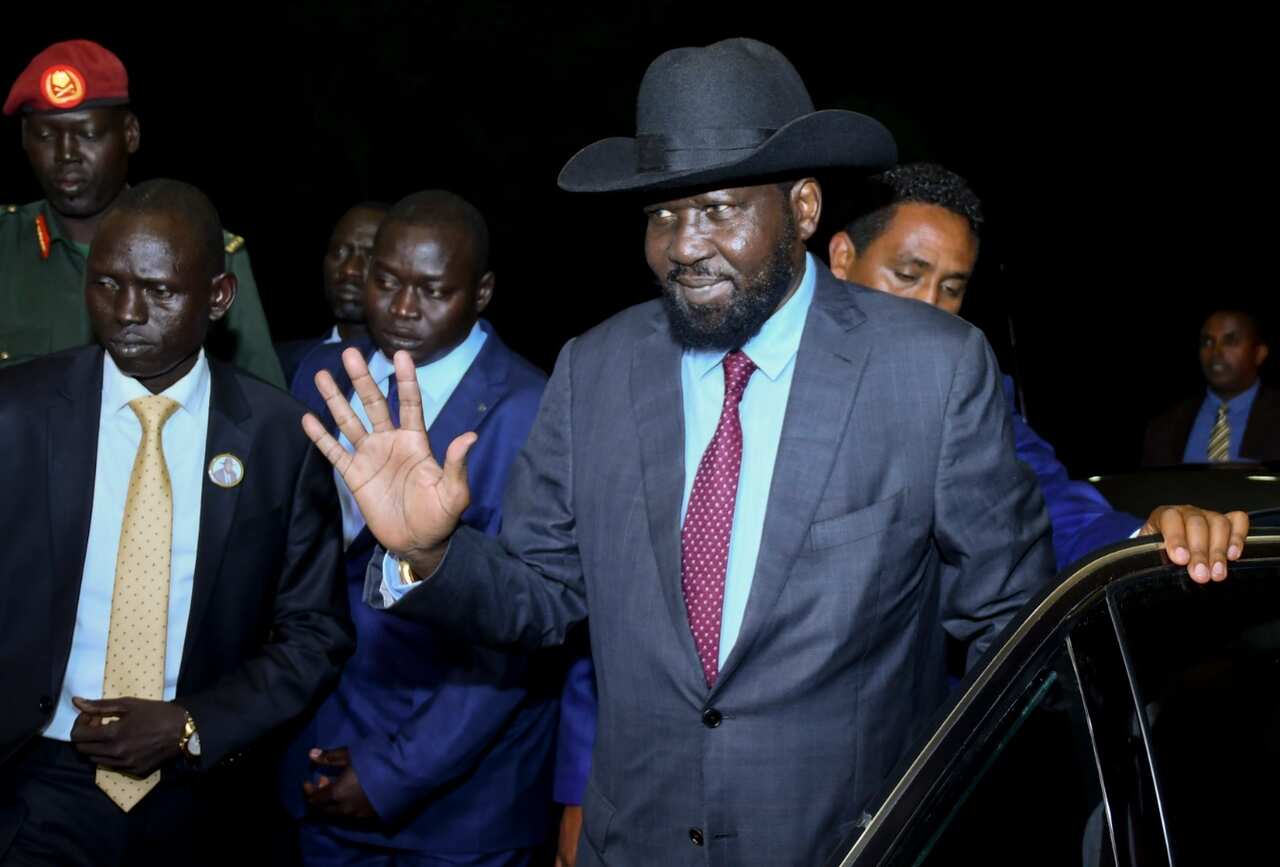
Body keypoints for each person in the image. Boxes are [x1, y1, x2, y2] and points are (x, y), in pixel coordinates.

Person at [303, 40, 1246, 865]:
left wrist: (947, 809)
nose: (684, 246)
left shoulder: (927, 368)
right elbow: (543, 598)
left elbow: (1010, 623)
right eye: (663, 216)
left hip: (861, 843)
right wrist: (430, 551)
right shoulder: (596, 369)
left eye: (716, 208)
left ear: (802, 207)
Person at [0, 179, 352, 866]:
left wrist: (194, 722)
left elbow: (317, 634)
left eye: (159, 292)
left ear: (219, 297)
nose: (127, 312)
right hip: (35, 781)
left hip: (205, 791)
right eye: (107, 283)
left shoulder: (279, 438)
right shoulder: (17, 414)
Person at [283, 190, 588, 866]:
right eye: (385, 280)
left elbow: (521, 637)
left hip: (463, 802)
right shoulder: (323, 374)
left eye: (431, 289)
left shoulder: (533, 410)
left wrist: (395, 770)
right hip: (321, 761)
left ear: (481, 292)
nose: (399, 307)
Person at [827, 162, 1248, 571]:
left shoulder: (971, 392)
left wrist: (1144, 538)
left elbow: (1045, 504)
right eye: (906, 276)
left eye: (952, 288)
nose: (931, 307)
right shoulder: (771, 367)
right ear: (843, 256)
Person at [0, 39, 285, 387]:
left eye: (88, 134)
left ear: (130, 134)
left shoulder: (203, 251)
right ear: (25, 140)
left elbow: (261, 408)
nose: (66, 154)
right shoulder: (6, 245)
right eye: (45, 136)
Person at [1143, 308, 1280, 464]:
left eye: (1230, 341)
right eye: (1207, 342)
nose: (1216, 352)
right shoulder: (1166, 427)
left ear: (1259, 354)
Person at [276, 202, 388, 386]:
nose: (350, 269)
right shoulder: (278, 364)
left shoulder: (410, 370)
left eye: (370, 256)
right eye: (339, 252)